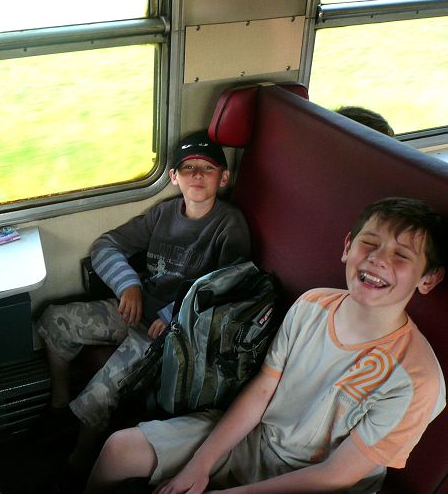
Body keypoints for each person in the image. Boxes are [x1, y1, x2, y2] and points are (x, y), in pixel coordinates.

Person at [86, 197, 446, 494]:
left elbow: (337, 475)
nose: (378, 259)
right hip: (257, 439)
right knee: (119, 450)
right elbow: (262, 391)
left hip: (317, 480)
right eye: (370, 243)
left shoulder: (416, 379)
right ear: (348, 246)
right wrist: (199, 465)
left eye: (402, 255)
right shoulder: (312, 306)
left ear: (428, 279)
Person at [37, 131, 251, 470]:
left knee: (99, 393)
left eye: (208, 168)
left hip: (171, 330)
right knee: (55, 321)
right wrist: (128, 286)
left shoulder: (229, 225)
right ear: (173, 176)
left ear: (223, 178)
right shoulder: (163, 214)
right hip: (136, 308)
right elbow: (106, 246)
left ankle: (79, 463)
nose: (197, 174)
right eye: (188, 167)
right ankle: (60, 407)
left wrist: (172, 315)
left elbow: (229, 284)